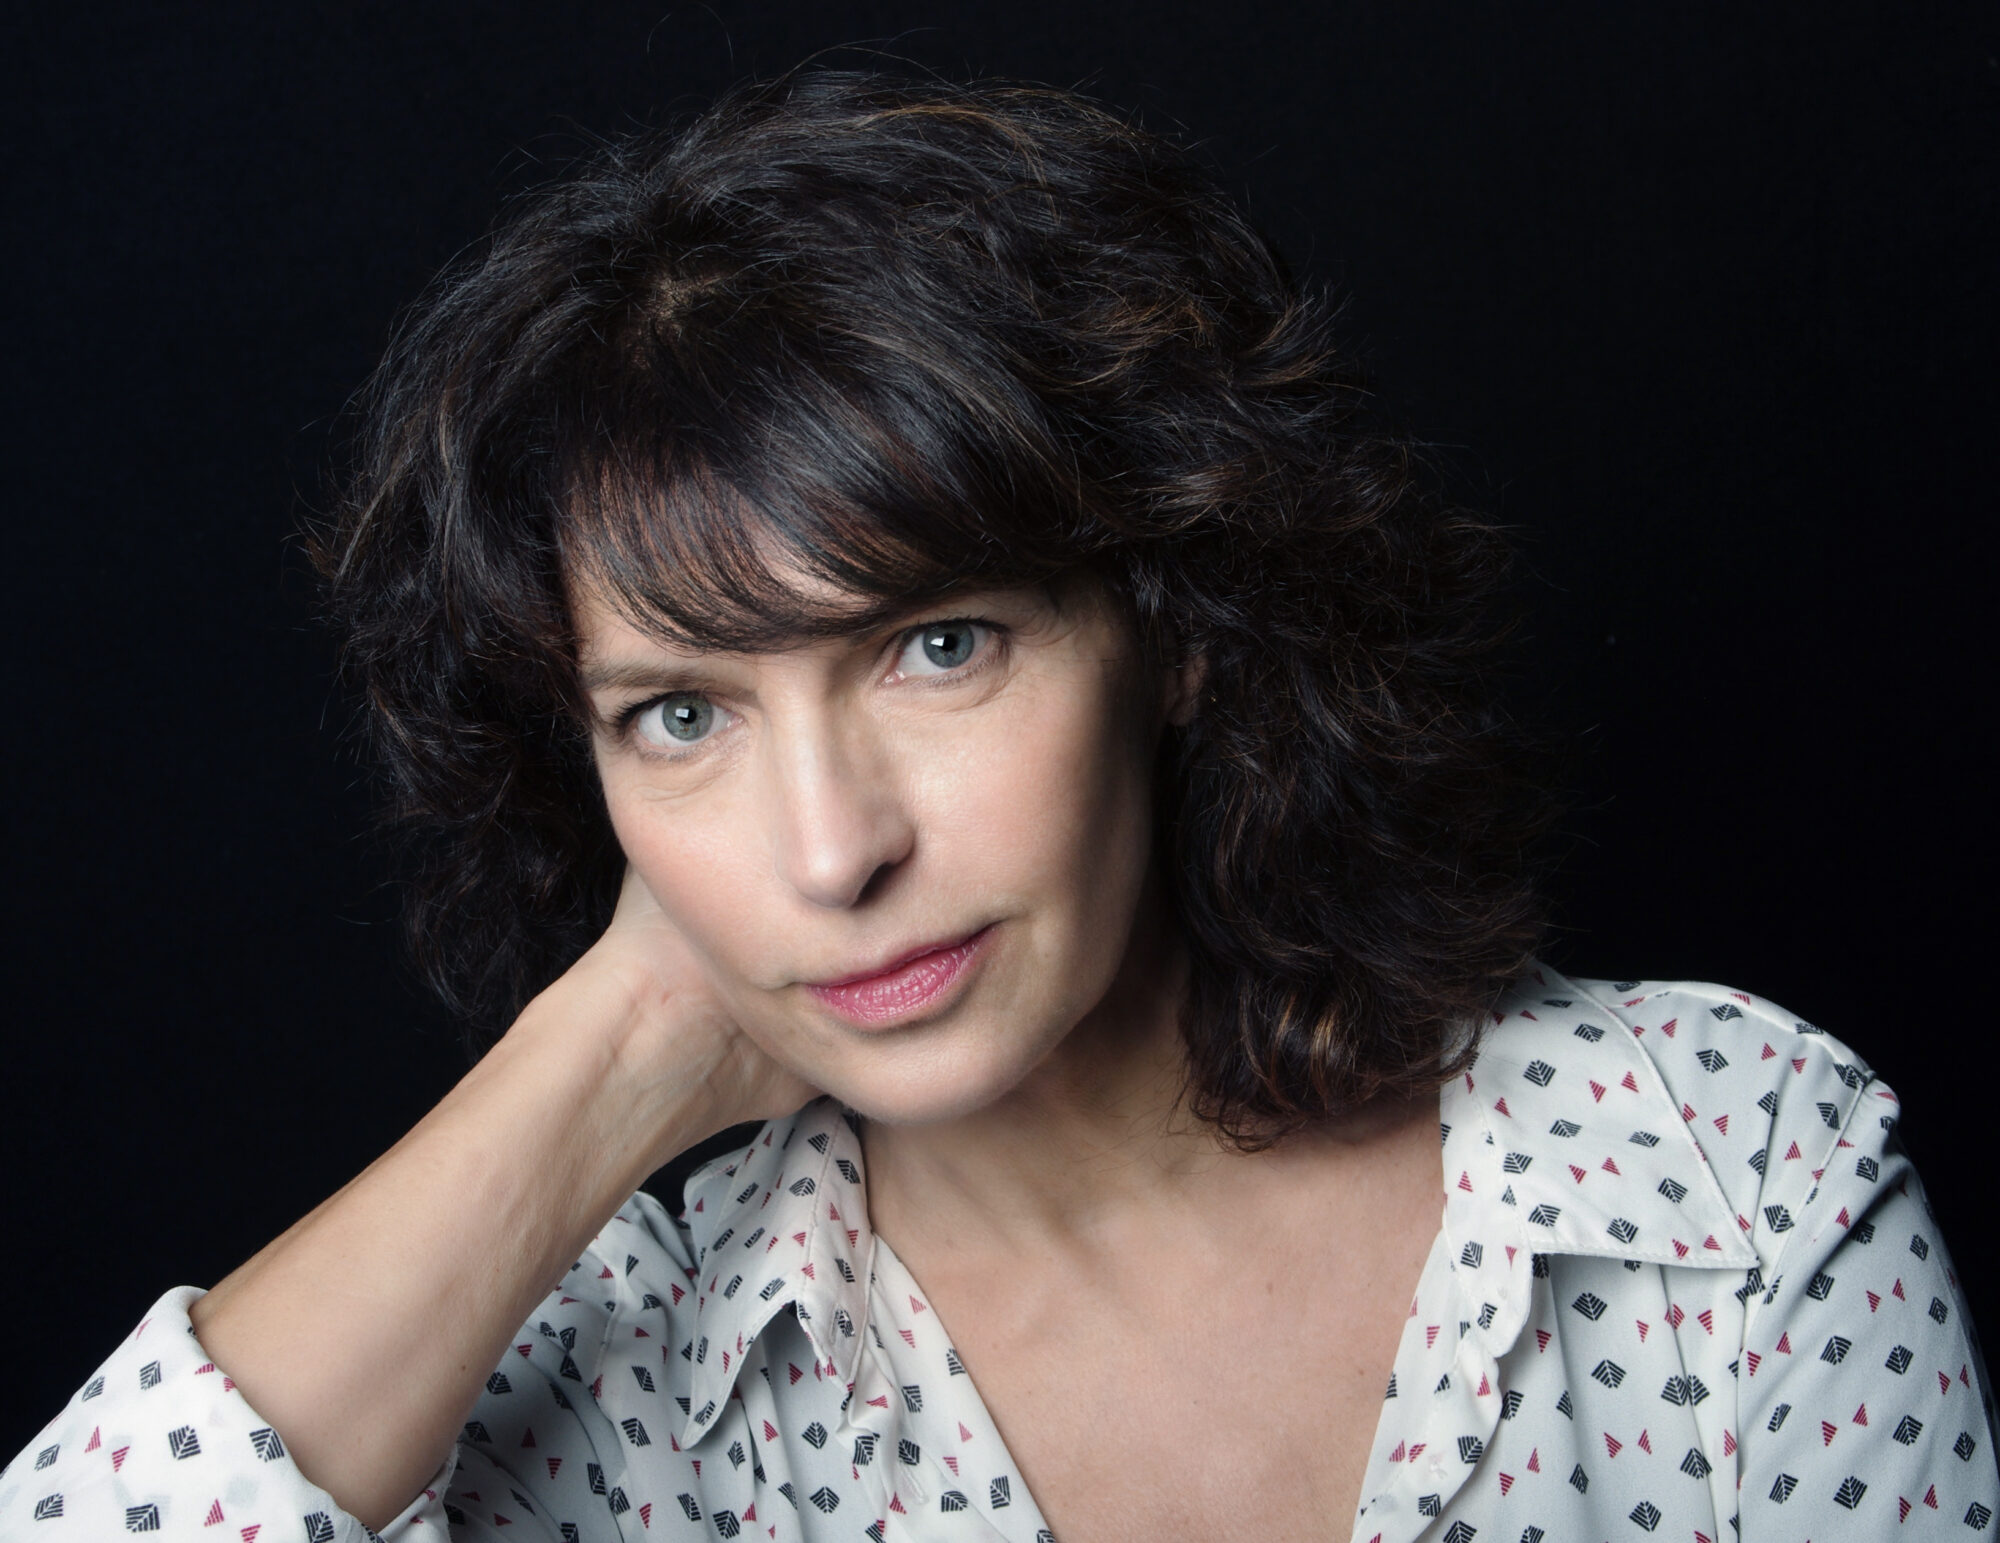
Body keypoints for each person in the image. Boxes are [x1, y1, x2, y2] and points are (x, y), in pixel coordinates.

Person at [3, 64, 1992, 1543]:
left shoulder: (1715, 1171)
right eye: (681, 715)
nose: (830, 848)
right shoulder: (641, 1398)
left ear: (1178, 626)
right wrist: (613, 1042)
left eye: (936, 647)